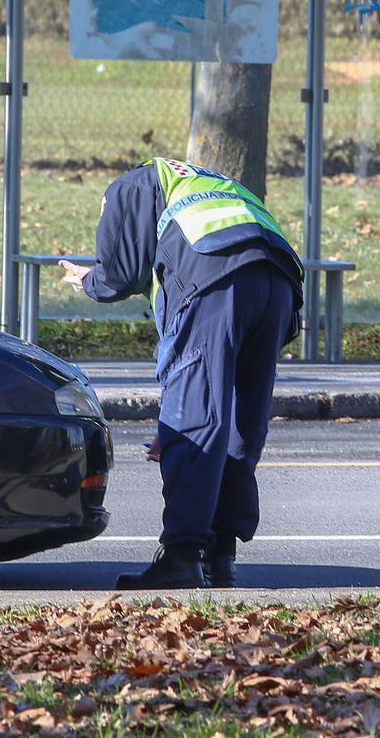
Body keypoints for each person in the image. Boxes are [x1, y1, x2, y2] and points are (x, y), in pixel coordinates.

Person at [59, 156, 303, 589]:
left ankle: (182, 557)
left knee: (193, 421)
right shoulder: (212, 181)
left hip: (216, 282)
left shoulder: (134, 181)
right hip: (280, 285)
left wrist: (89, 280)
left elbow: (121, 270)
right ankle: (220, 555)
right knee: (237, 423)